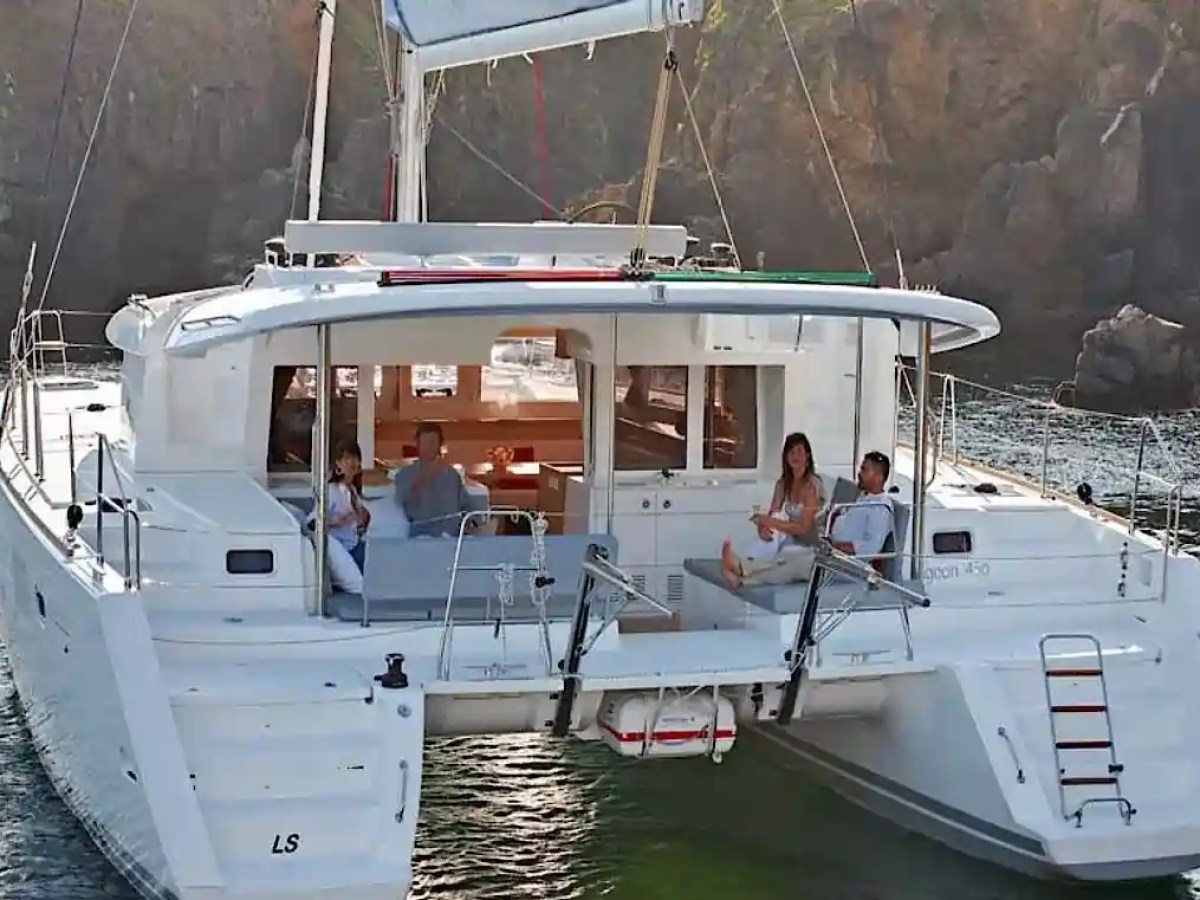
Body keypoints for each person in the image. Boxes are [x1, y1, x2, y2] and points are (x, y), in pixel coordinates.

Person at [720, 432, 828, 589]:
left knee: (781, 549)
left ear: (808, 455)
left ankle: (742, 567)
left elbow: (804, 527)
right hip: (791, 540)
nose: (795, 456)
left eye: (799, 451)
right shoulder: (783, 484)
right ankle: (742, 565)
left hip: (809, 545)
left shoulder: (813, 485)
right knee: (775, 524)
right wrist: (763, 527)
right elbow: (773, 515)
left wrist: (770, 522)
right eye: (791, 452)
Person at [392, 422, 476, 537]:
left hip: (448, 539)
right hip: (415, 538)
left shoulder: (451, 475)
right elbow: (399, 505)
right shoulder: (404, 474)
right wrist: (424, 478)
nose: (429, 446)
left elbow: (466, 507)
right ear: (418, 444)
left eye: (432, 442)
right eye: (425, 442)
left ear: (440, 445)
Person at [311, 440, 370, 572]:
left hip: (357, 546)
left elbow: (358, 525)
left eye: (355, 458)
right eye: (347, 458)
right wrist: (338, 522)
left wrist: (364, 519)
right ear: (338, 463)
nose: (352, 462)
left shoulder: (353, 491)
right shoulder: (331, 491)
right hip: (343, 554)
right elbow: (313, 523)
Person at [827, 450, 894, 565]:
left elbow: (870, 548)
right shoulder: (864, 497)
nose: (859, 473)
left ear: (878, 477)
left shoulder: (881, 507)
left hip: (847, 563)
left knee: (793, 559)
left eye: (864, 470)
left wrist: (836, 547)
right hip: (832, 554)